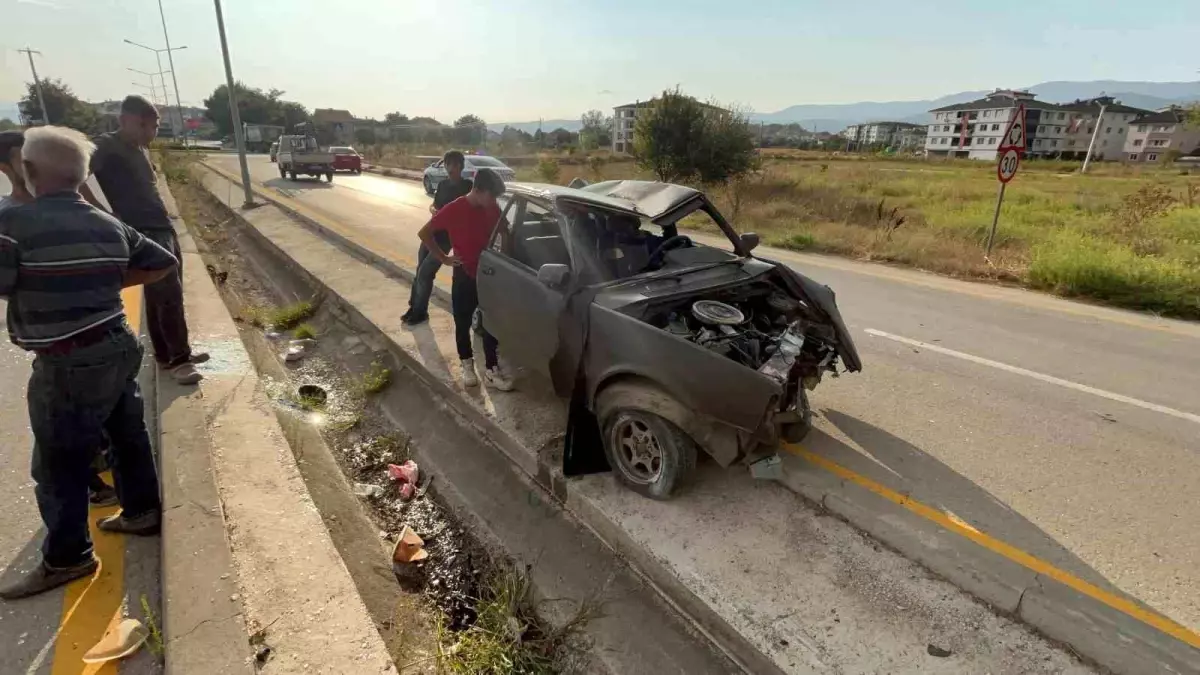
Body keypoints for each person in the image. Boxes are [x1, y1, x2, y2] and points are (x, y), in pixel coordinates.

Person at [0, 126, 175, 599]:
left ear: (30, 171)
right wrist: (105, 280)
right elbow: (161, 260)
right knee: (127, 435)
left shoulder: (13, 223)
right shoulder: (105, 222)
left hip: (68, 359)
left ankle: (68, 557)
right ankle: (141, 511)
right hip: (116, 343)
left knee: (58, 465)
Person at [1, 131, 119, 508]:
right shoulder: (10, 220)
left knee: (63, 448)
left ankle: (71, 550)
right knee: (68, 440)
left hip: (87, 344)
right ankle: (99, 492)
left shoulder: (62, 212)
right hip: (76, 344)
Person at [82, 95, 206, 385]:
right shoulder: (106, 146)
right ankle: (180, 360)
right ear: (123, 120)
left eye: (154, 127)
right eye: (143, 125)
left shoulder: (139, 150)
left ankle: (167, 355)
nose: (149, 133)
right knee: (168, 296)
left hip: (162, 227)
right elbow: (77, 179)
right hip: (144, 232)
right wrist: (106, 216)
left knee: (161, 295)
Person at [416, 168, 513, 391]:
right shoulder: (455, 208)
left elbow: (505, 232)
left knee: (490, 321)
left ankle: (491, 369)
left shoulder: (491, 207)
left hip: (487, 274)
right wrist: (444, 258)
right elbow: (424, 233)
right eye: (491, 196)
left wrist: (502, 259)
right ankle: (467, 364)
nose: (493, 202)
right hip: (463, 273)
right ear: (478, 190)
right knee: (462, 320)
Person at [401, 150, 473, 326]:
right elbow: (435, 204)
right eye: (449, 164)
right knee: (420, 271)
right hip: (431, 232)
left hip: (446, 238)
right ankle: (414, 307)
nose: (451, 168)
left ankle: (420, 312)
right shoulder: (442, 185)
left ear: (461, 166)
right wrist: (433, 210)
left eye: (456, 164)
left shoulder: (467, 187)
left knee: (426, 273)